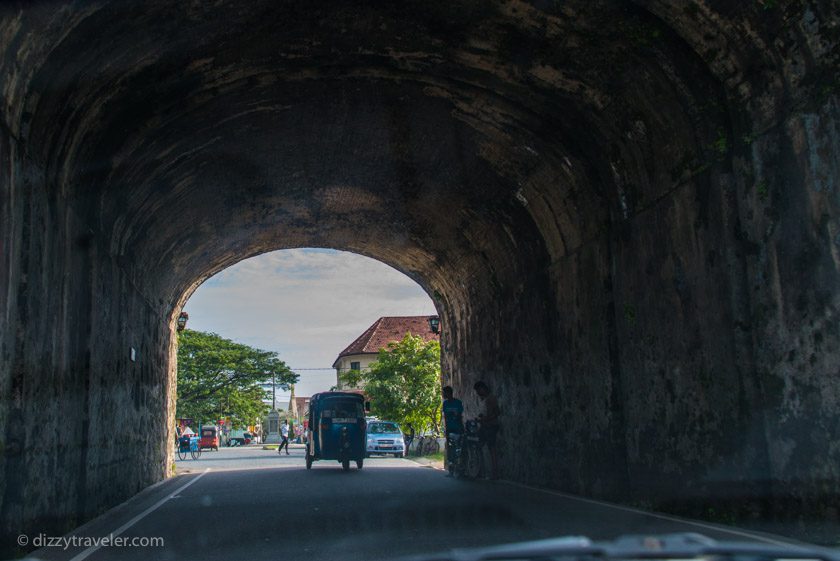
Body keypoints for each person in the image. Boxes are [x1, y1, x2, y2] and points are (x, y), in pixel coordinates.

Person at [474, 381, 500, 480]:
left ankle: (494, 473)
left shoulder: (491, 398)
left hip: (491, 426)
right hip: (485, 426)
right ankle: (481, 470)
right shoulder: (484, 399)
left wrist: (485, 419)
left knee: (491, 449)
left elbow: (497, 412)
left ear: (482, 388)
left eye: (478, 390)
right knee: (478, 445)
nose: (478, 393)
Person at [441, 386, 464, 475]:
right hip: (450, 429)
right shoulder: (445, 404)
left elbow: (460, 416)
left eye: (444, 392)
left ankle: (460, 467)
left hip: (458, 428)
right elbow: (446, 418)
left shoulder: (458, 403)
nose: (443, 394)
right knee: (450, 449)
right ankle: (451, 469)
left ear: (448, 393)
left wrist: (461, 428)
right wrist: (446, 430)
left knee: (459, 448)